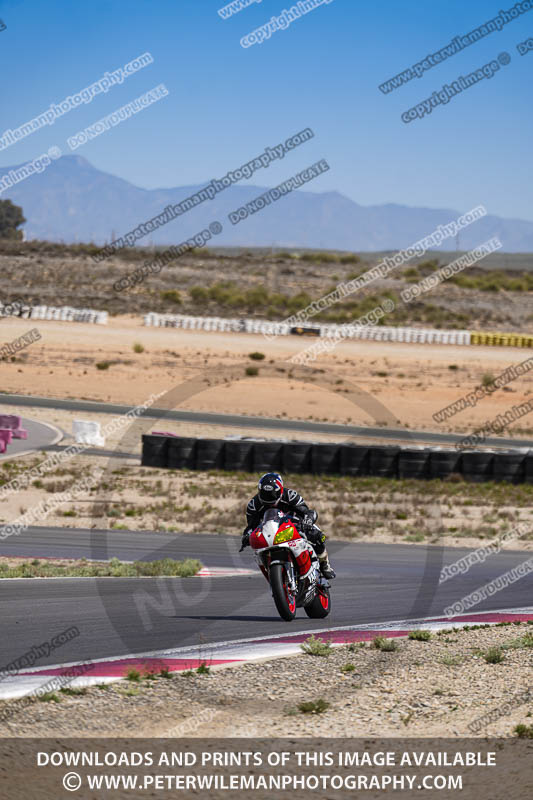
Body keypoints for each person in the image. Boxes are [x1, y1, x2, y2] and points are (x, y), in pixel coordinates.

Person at [240, 472, 336, 579]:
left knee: (317, 534)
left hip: (293, 525)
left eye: (272, 495)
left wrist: (307, 521)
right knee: (257, 551)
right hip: (270, 532)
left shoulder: (290, 495)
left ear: (280, 491)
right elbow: (252, 526)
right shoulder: (253, 505)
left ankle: (325, 564)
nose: (269, 499)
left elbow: (306, 511)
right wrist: (246, 536)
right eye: (265, 495)